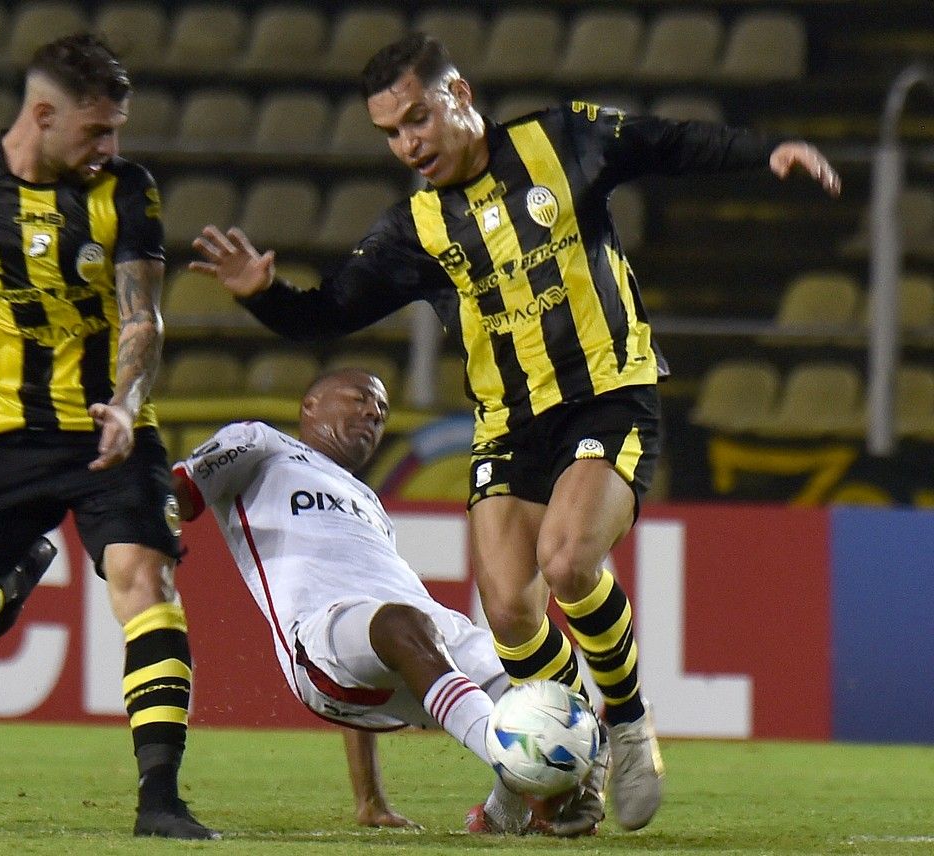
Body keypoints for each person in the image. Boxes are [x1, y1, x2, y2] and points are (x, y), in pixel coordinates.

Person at [190, 33, 842, 835]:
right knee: (508, 612)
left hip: (608, 392)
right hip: (509, 428)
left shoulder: (560, 142)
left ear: (460, 94)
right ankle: (580, 746)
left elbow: (663, 143)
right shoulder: (416, 228)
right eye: (391, 134)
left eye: (418, 119)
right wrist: (265, 295)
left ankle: (629, 726)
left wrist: (767, 150)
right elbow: (330, 310)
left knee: (568, 562)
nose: (409, 144)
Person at [0, 34, 216, 840]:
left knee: (147, 586)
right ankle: (18, 574)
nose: (110, 148)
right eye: (96, 131)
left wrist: (124, 400)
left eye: (116, 131)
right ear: (41, 115)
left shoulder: (126, 193)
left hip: (105, 428)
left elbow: (143, 317)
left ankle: (160, 801)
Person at [172, 368, 590, 833]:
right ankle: (518, 766)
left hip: (412, 636)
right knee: (399, 627)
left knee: (542, 687)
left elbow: (375, 641)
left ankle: (506, 814)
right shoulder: (263, 442)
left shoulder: (368, 500)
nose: (373, 413)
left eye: (382, 410)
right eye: (358, 399)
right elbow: (182, 492)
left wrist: (369, 801)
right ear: (310, 406)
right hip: (319, 636)